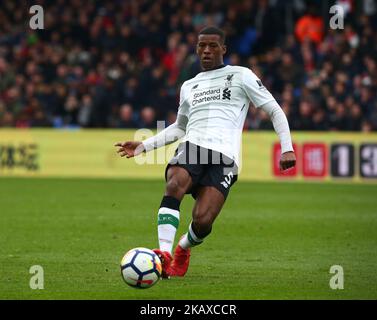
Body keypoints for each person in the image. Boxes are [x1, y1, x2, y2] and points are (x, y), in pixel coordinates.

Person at [115, 26, 296, 278]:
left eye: (212, 45)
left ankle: (182, 248)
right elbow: (180, 127)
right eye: (202, 46)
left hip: (226, 156)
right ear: (197, 49)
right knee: (174, 182)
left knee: (202, 221)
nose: (207, 50)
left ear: (224, 49)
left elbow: (275, 110)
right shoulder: (189, 85)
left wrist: (287, 148)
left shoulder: (241, 75)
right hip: (194, 146)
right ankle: (164, 254)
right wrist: (144, 145)